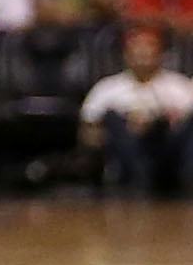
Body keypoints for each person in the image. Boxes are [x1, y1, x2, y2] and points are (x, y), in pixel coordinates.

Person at [81, 24, 193, 193]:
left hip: (169, 149)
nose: (143, 54)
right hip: (125, 150)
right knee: (113, 118)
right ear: (126, 55)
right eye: (138, 50)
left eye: (149, 49)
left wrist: (163, 121)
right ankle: (139, 179)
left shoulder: (180, 86)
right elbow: (88, 128)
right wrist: (127, 126)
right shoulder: (107, 88)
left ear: (161, 54)